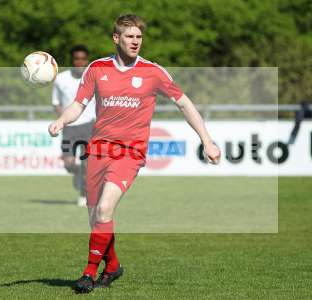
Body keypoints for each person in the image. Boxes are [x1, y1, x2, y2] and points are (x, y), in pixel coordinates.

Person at [48, 15, 221, 293]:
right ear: (116, 38)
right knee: (97, 218)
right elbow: (78, 105)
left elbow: (185, 104)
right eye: (130, 37)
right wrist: (61, 121)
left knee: (105, 209)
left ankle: (88, 275)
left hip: (130, 152)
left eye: (139, 37)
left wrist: (207, 140)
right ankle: (113, 266)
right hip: (98, 150)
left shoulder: (154, 72)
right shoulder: (97, 68)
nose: (135, 42)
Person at [52, 45, 95, 207]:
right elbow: (56, 103)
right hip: (69, 127)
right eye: (77, 59)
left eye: (83, 59)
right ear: (72, 60)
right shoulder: (60, 79)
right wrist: (62, 119)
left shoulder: (93, 78)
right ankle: (76, 173)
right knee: (69, 163)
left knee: (87, 163)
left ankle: (83, 194)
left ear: (87, 60)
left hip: (89, 126)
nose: (80, 62)